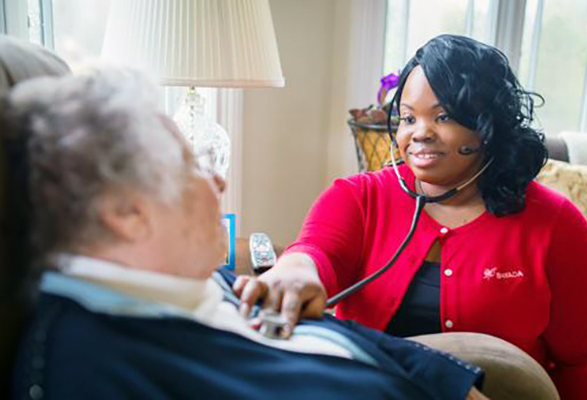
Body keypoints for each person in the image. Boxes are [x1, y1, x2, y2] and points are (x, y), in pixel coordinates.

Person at [4, 69, 487, 400]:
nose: (218, 181)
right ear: (126, 212)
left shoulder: (191, 284)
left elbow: (328, 332)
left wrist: (448, 383)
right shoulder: (91, 365)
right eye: (189, 166)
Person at [235, 34, 587, 399]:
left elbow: (579, 361)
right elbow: (315, 251)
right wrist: (293, 272)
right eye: (407, 117)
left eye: (443, 116)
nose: (419, 133)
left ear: (488, 126)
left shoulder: (557, 224)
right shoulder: (357, 197)